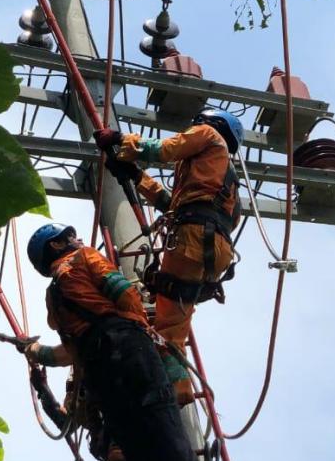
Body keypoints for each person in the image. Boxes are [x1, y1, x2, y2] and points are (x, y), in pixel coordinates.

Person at [23, 221, 231, 461]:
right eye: (67, 238)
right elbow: (124, 292)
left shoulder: (54, 298)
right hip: (131, 352)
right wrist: (141, 329)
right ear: (57, 247)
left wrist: (35, 352)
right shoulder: (85, 257)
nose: (76, 239)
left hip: (102, 374)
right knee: (169, 437)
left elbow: (67, 354)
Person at [95, 109, 244, 405]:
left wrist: (122, 139)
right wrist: (136, 176)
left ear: (212, 124)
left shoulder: (209, 136)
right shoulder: (222, 180)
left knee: (164, 328)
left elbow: (164, 150)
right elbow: (171, 204)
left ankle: (164, 392)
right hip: (213, 252)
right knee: (172, 333)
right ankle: (180, 391)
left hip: (192, 240)